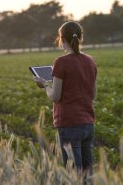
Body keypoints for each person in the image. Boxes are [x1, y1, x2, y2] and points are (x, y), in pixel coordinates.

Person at [34, 21, 97, 174]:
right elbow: (93, 94)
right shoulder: (90, 60)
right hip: (88, 124)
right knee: (87, 174)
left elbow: (55, 96)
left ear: (61, 39)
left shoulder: (61, 62)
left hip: (69, 124)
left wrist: (45, 85)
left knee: (73, 174)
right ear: (80, 38)